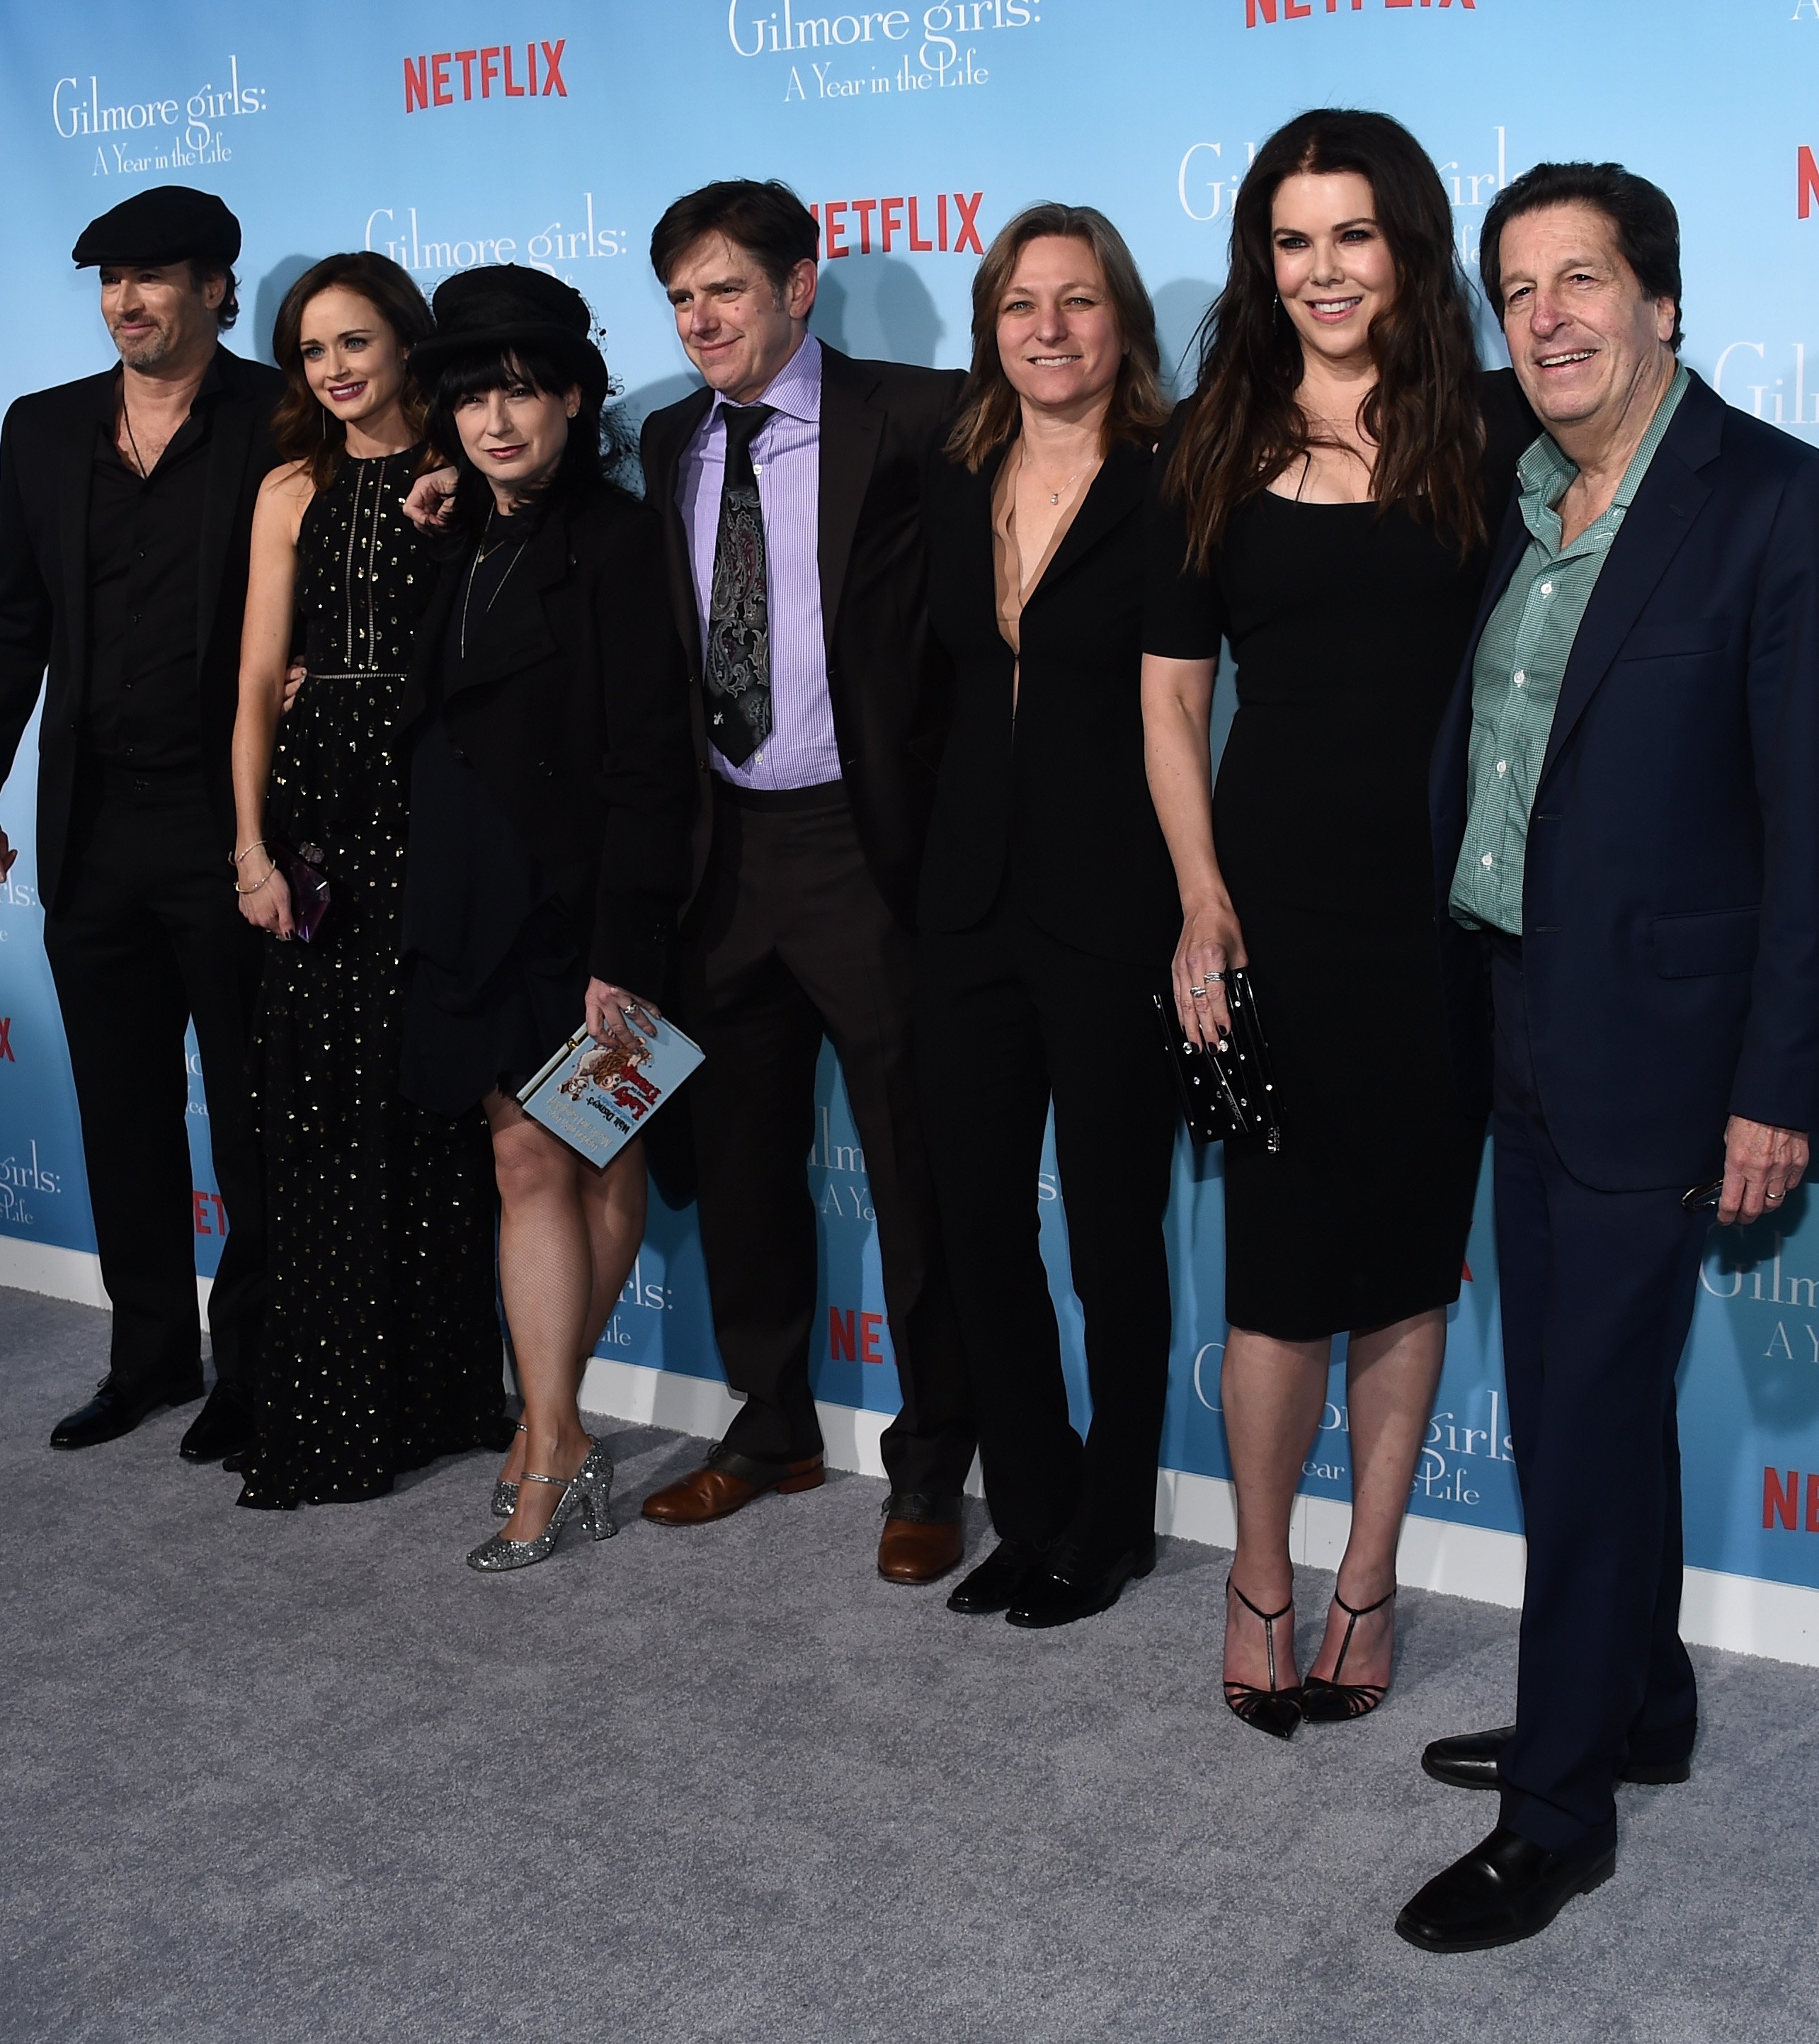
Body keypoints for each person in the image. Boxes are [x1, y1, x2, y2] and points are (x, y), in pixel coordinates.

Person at [1395, 163, 1819, 1952]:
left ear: (1664, 302)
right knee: (1581, 1407)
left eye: (1583, 281)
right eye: (1517, 291)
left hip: (1666, 1049)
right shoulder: (1529, 501)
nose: (1548, 319)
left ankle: (1560, 1810)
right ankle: (1639, 1703)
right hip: (1517, 1015)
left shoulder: (1782, 506)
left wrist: (1782, 1086)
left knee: (1585, 1423)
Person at [1140, 112, 1534, 1735]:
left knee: (1407, 1267)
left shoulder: (1499, 426)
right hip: (1276, 910)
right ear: (1264, 260)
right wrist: (1201, 898)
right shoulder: (1211, 442)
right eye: (1294, 242)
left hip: (1450, 915)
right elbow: (1170, 705)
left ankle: (1367, 1582)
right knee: (1276, 1275)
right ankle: (1258, 1577)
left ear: (1408, 247)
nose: (1322, 272)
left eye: (1353, 236)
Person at [631, 181, 979, 1586]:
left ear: (800, 285)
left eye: (724, 290)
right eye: (679, 298)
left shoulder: (922, 417)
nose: (701, 320)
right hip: (723, 857)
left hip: (866, 852)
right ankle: (772, 1425)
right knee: (740, 1167)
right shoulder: (664, 440)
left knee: (919, 1178)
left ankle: (933, 1466)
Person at [0, 186, 281, 1461]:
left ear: (215, 290)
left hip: (233, 829)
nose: (127, 302)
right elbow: (11, 617)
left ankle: (251, 1368)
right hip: (90, 833)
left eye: (153, 279)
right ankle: (147, 1355)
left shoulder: (278, 417)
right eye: (108, 282)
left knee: (254, 1116)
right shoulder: (43, 429)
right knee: (118, 1108)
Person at [389, 267, 694, 1572]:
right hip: (468, 894)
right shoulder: (452, 533)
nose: (496, 422)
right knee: (533, 1158)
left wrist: (622, 954)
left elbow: (647, 759)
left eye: (520, 392)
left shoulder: (618, 543)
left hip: (585, 907)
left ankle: (551, 1438)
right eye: (471, 399)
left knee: (587, 1161)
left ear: (574, 394)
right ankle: (554, 1431)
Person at [916, 204, 1180, 1630]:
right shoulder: (956, 474)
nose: (1050, 330)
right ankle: (1030, 1506)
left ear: (1121, 321)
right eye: (1023, 305)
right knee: (977, 1224)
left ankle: (1115, 1519)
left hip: (1116, 905)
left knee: (1112, 1238)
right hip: (965, 908)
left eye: (1078, 303)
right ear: (990, 327)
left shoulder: (1179, 472)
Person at [224, 253, 506, 1509]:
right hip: (323, 819)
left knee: (437, 1115)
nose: (334, 371)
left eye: (354, 343)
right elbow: (253, 681)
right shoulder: (291, 487)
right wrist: (249, 844)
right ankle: (332, 1415)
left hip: (443, 808)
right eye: (311, 352)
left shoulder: (474, 474)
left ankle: (438, 1397)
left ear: (406, 343)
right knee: (326, 1123)